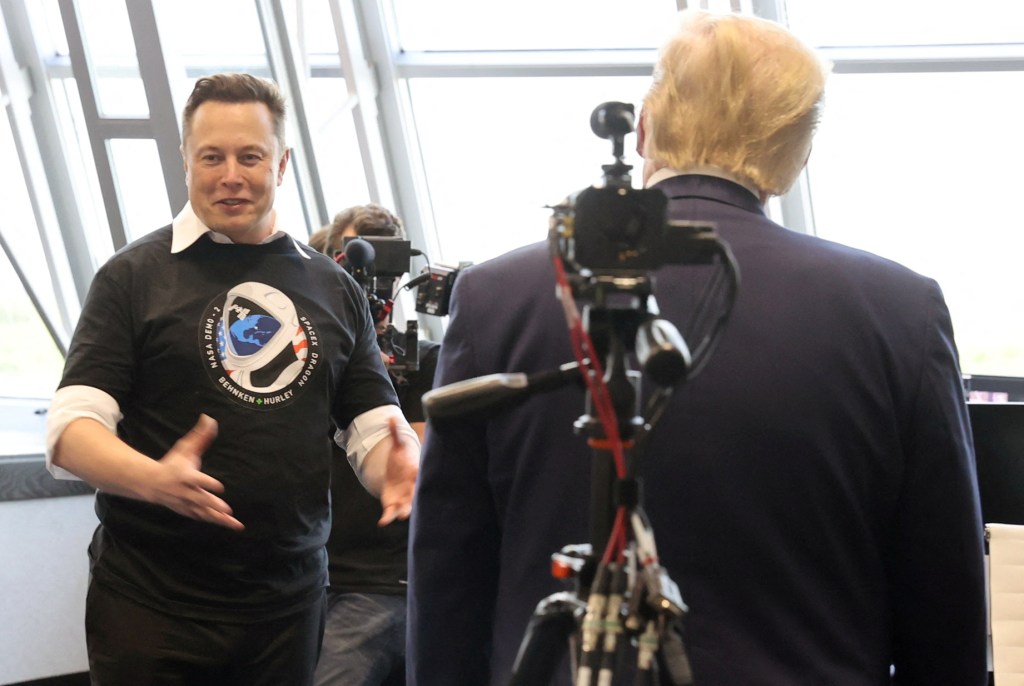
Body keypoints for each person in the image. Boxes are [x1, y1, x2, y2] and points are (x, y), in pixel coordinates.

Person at [408, 10, 987, 686]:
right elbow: (944, 598)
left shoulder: (494, 299)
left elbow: (448, 580)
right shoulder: (900, 313)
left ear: (647, 127)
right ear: (796, 155)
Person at [45, 73, 419, 686]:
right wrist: (154, 479)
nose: (231, 175)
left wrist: (397, 468)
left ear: (282, 162)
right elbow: (70, 429)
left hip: (289, 607)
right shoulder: (132, 277)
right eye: (211, 157)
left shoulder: (332, 287)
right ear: (185, 162)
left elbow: (372, 427)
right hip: (153, 605)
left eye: (251, 156)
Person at [308, 205, 440, 686]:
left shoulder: (426, 363)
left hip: (384, 580)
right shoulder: (307, 361)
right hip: (318, 576)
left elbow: (419, 475)